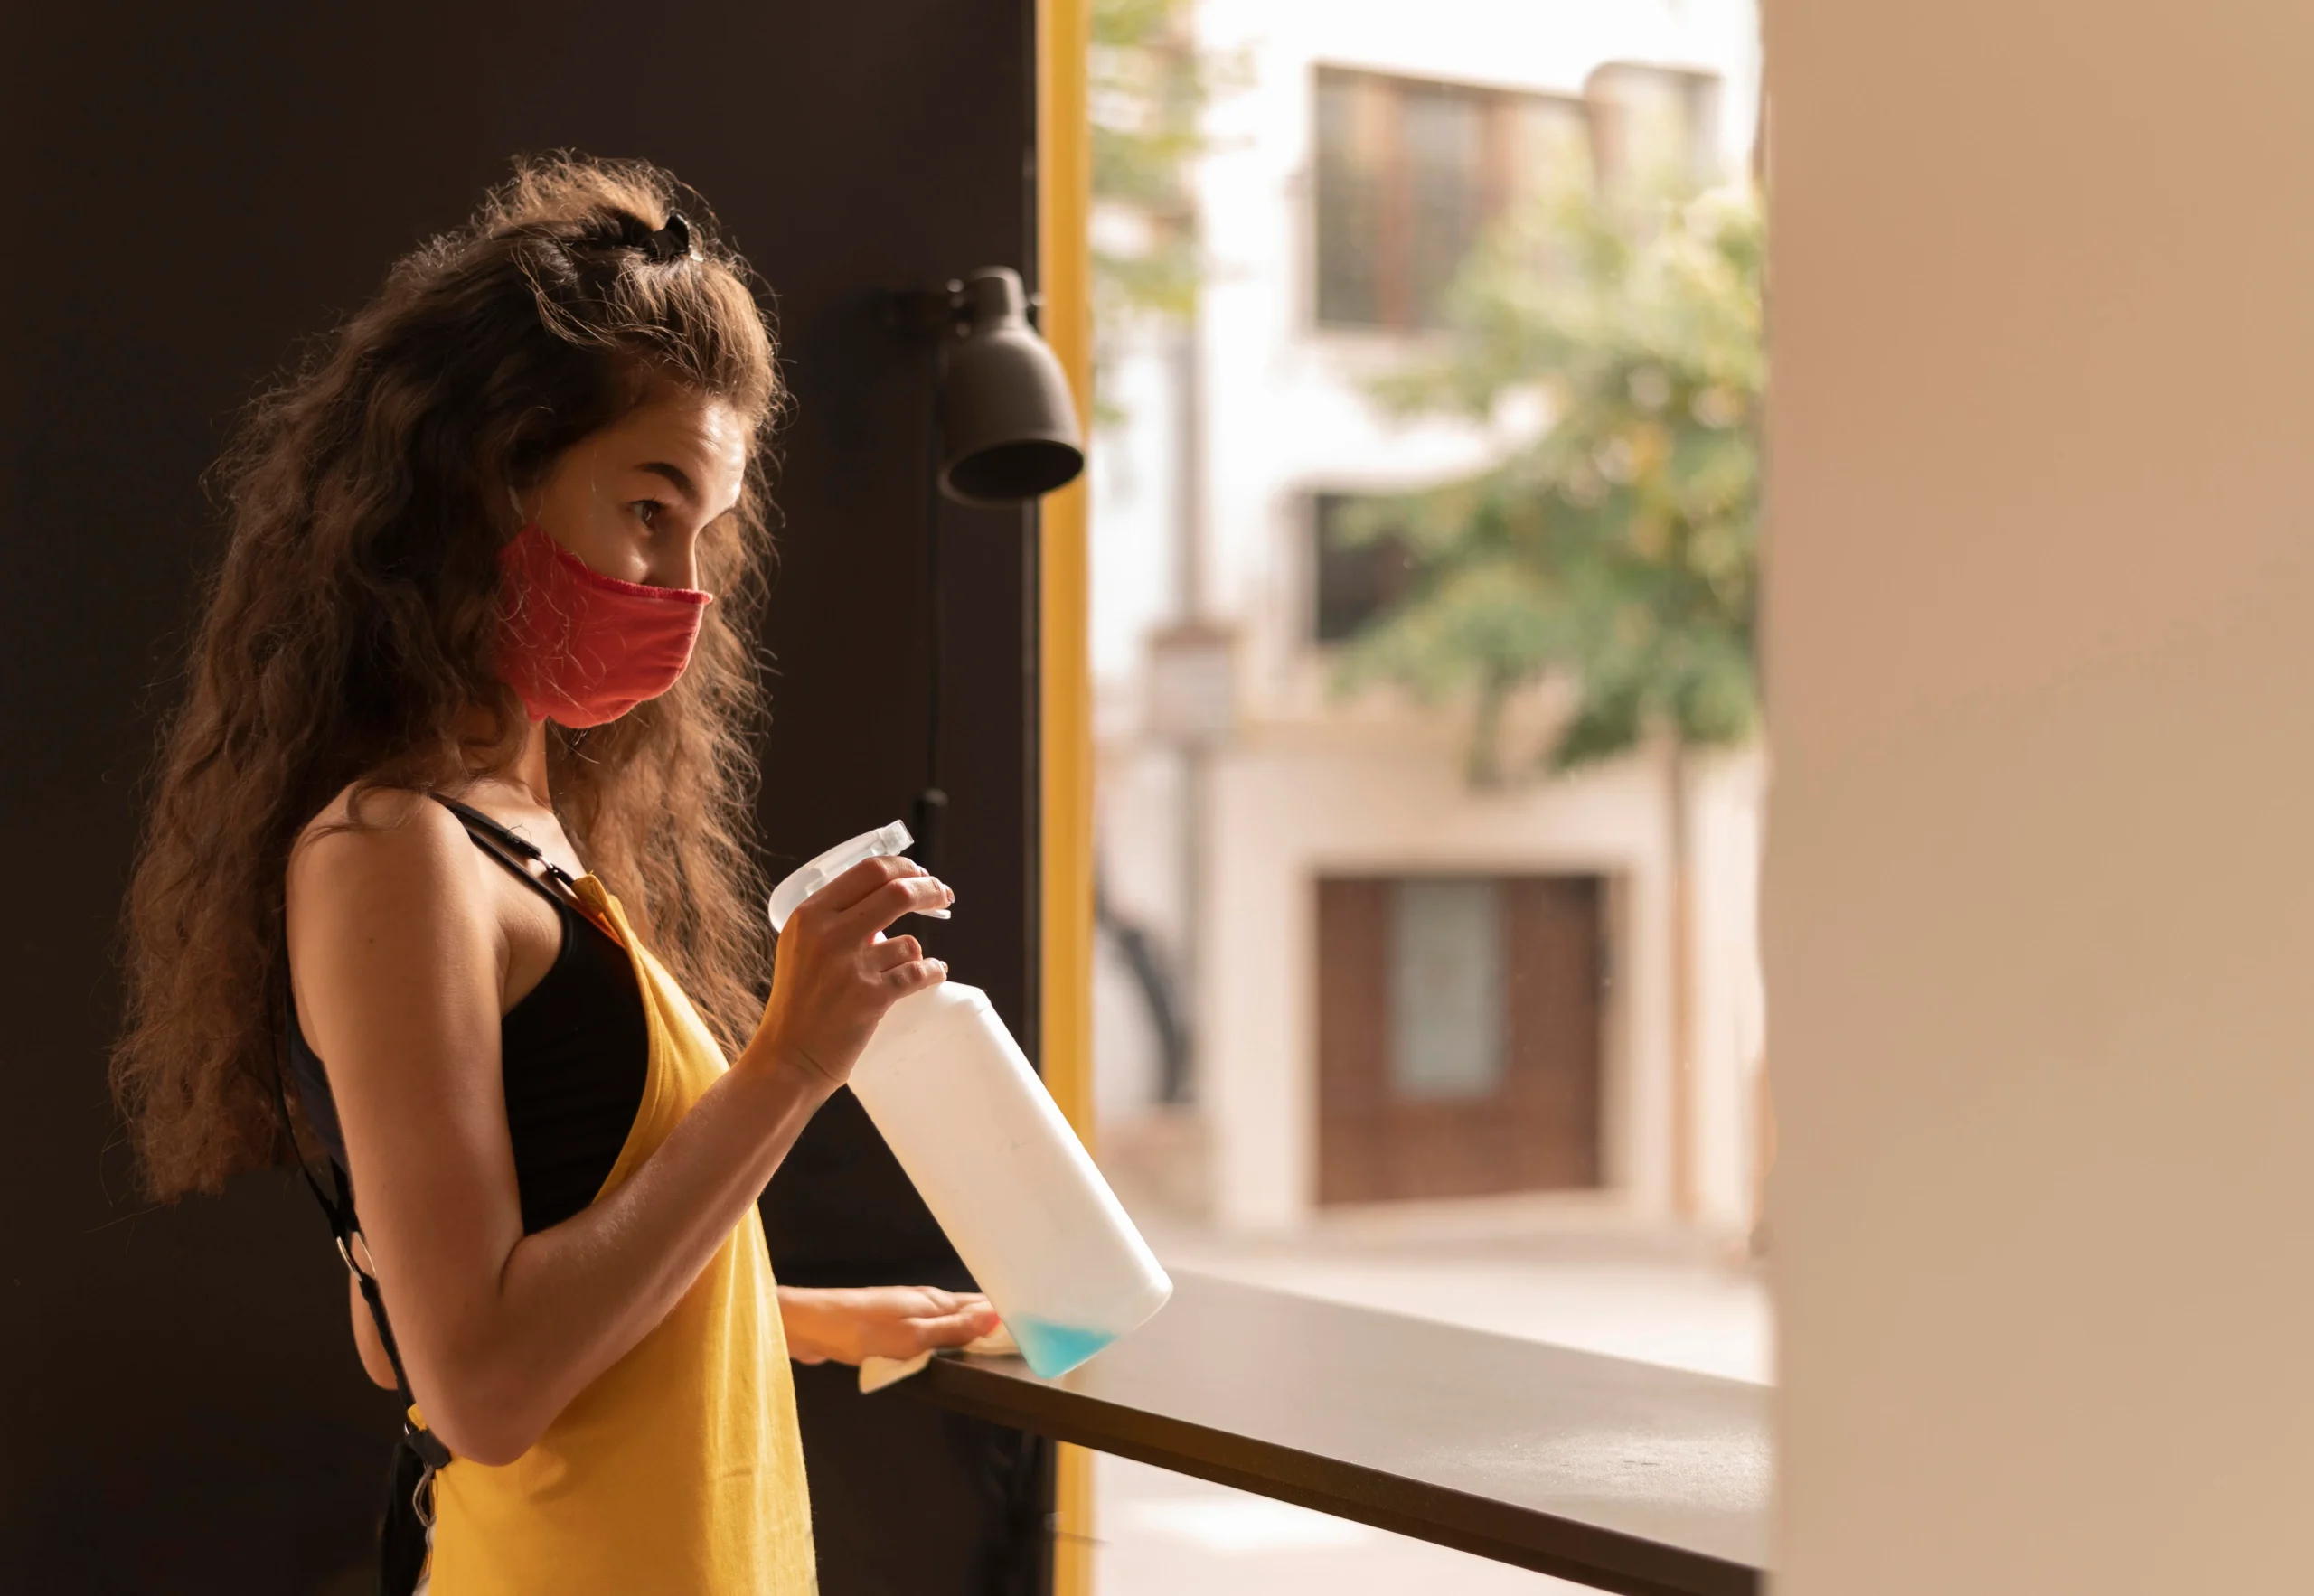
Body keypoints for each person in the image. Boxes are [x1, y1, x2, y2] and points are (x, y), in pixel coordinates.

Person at [112, 155, 997, 1594]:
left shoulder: (525, 827)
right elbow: (477, 1384)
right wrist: (789, 1063)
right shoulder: (393, 855)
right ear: (488, 475)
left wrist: (792, 1313)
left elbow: (448, 1305)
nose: (684, 586)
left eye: (706, 530)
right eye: (650, 507)